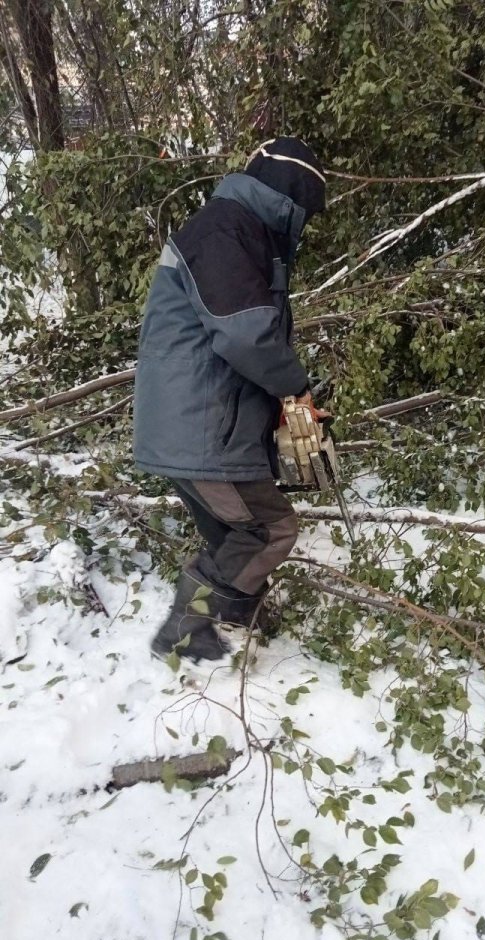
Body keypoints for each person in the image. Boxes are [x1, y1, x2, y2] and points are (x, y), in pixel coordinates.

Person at [133, 137, 327, 664]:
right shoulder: (227, 230)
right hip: (203, 429)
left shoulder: (232, 228)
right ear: (292, 199)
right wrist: (296, 387)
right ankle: (184, 627)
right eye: (308, 211)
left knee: (230, 535)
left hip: (193, 425)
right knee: (270, 528)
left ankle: (236, 619)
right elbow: (246, 334)